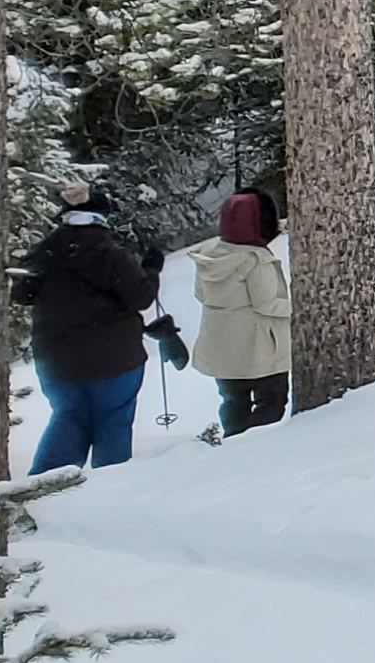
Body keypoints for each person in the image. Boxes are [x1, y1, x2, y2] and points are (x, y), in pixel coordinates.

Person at [15, 177, 161, 472]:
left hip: (57, 362)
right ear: (100, 220)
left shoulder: (44, 253)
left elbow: (21, 294)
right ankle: (109, 492)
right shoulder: (110, 255)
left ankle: (42, 494)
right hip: (114, 360)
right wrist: (151, 271)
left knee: (68, 418)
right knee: (113, 422)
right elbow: (141, 298)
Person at [188, 187, 294, 437]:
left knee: (233, 401)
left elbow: (200, 295)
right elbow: (267, 303)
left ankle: (234, 441)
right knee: (271, 403)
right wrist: (300, 307)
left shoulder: (210, 256)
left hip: (222, 348)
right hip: (260, 350)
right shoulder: (256, 260)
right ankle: (254, 451)